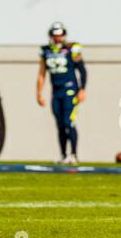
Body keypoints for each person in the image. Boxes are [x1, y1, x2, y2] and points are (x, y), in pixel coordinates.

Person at [37, 22, 87, 165]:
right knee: (59, 125)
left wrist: (82, 89)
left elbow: (82, 70)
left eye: (60, 35)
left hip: (70, 90)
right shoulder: (45, 51)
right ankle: (64, 155)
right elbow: (41, 73)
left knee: (68, 122)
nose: (58, 38)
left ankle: (74, 154)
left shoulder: (72, 49)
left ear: (64, 35)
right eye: (55, 35)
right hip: (56, 92)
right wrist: (39, 93)